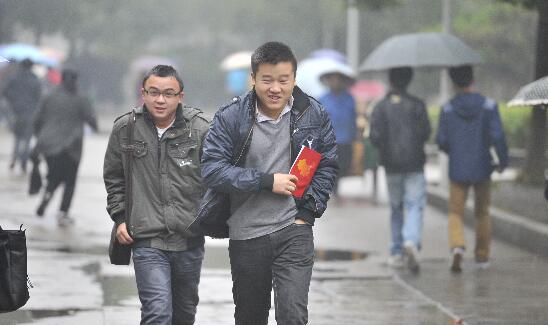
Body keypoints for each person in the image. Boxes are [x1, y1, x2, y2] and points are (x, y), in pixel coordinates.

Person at [200, 42, 338, 325]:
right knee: (251, 318)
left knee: (293, 315)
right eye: (267, 80)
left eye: (283, 80)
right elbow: (212, 170)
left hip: (294, 230)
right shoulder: (231, 117)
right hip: (247, 234)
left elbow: (327, 164)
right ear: (253, 78)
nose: (275, 88)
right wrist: (264, 181)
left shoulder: (313, 114)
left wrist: (307, 213)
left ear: (294, 79)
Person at [103, 65, 209, 324]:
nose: (160, 100)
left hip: (189, 239)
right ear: (144, 93)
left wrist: (209, 216)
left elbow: (216, 179)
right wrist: (119, 218)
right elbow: (114, 177)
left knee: (183, 315)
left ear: (180, 96)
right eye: (154, 92)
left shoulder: (200, 130)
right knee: (157, 312)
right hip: (146, 239)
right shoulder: (125, 128)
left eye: (168, 93)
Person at [436, 65, 508, 273]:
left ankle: (457, 246)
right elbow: (497, 136)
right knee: (482, 212)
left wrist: (454, 150)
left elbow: (441, 140)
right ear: (472, 79)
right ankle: (482, 256)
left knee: (455, 212)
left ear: (453, 83)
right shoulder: (488, 106)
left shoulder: (448, 109)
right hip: (483, 166)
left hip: (458, 167)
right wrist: (502, 161)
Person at [370, 67, 431, 273]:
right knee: (414, 205)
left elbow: (375, 137)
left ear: (390, 80)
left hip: (391, 166)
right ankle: (411, 241)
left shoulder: (380, 107)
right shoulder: (418, 105)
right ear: (409, 80)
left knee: (396, 207)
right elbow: (425, 133)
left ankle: (396, 251)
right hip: (415, 164)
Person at [33, 69, 97, 226]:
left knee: (53, 176)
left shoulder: (49, 96)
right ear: (76, 80)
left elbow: (36, 120)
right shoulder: (81, 98)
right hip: (72, 147)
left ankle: (47, 196)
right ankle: (63, 213)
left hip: (49, 145)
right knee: (69, 181)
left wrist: (41, 137)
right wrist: (95, 126)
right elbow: (91, 119)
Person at [319, 70, 356, 198]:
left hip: (345, 138)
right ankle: (333, 188)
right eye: (332, 79)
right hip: (328, 139)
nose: (335, 82)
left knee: (344, 166)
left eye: (338, 79)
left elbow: (353, 118)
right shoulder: (323, 99)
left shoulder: (349, 98)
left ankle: (336, 184)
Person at [2, 59, 42, 173]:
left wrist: (13, 103)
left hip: (16, 114)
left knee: (17, 138)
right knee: (27, 139)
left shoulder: (13, 78)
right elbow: (39, 97)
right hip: (30, 114)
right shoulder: (35, 80)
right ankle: (24, 162)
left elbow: (4, 92)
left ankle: (14, 158)